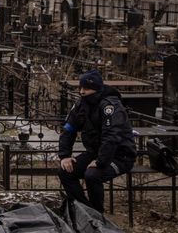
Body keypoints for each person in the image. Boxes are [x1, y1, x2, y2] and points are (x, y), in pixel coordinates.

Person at [57, 70, 135, 214]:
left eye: (86, 89)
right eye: (80, 88)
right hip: (95, 152)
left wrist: (101, 161)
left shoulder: (110, 106)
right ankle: (85, 211)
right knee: (65, 171)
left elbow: (111, 137)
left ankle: (97, 214)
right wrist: (64, 155)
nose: (81, 92)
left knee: (92, 175)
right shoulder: (82, 104)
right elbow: (69, 128)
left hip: (120, 156)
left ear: (96, 88)